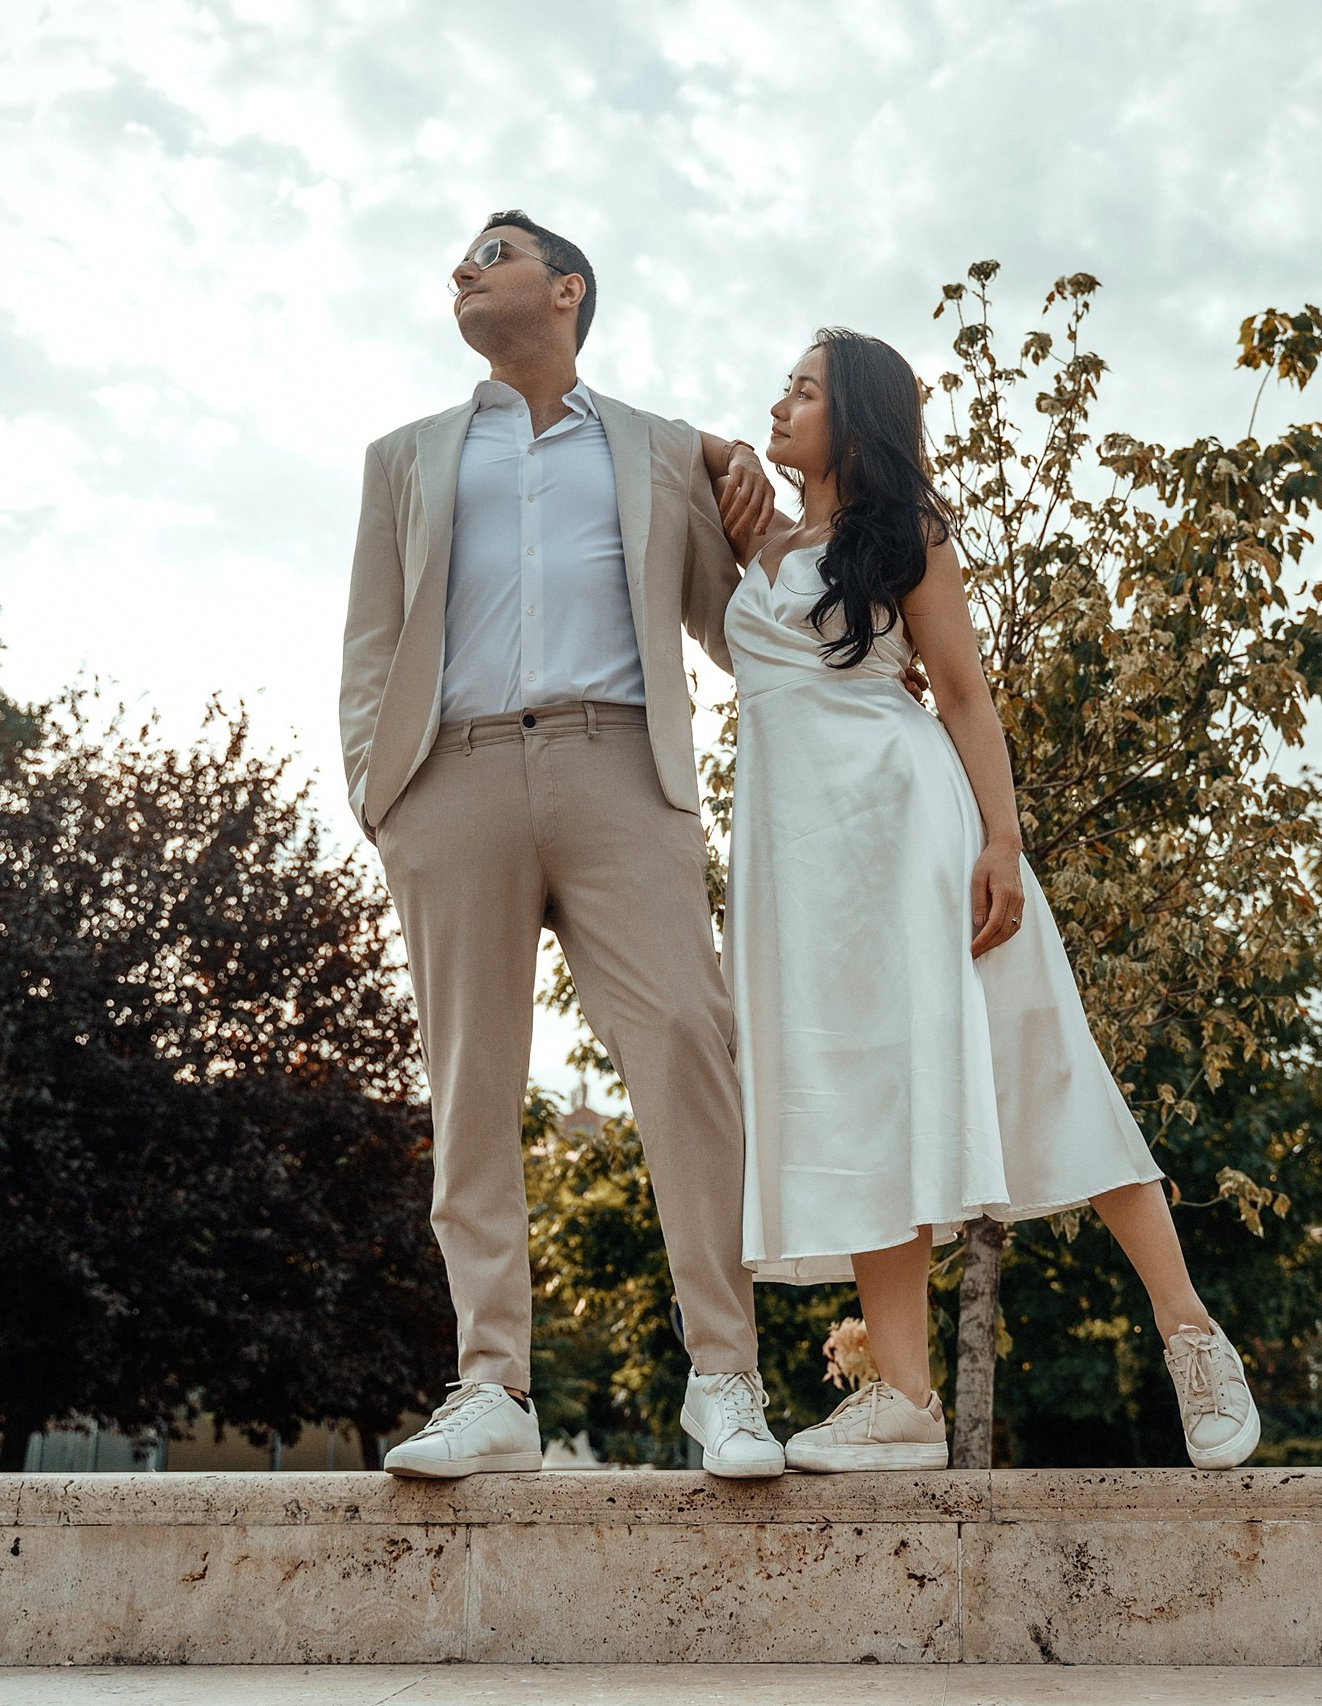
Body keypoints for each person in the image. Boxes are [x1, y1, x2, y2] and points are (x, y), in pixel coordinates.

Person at [724, 328, 1262, 1472]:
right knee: (864, 1101)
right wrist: (719, 457)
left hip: (913, 830)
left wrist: (1003, 844)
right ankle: (905, 1399)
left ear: (856, 415)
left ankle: (1192, 1336)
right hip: (803, 868)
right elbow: (660, 454)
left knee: (1044, 1060)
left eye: (803, 390)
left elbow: (964, 694)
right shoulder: (756, 536)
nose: (778, 405)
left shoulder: (905, 535)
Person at [340, 211, 788, 1478]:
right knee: (471, 1081)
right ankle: (492, 1386)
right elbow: (370, 638)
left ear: (566, 289)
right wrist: (382, 795)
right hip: (452, 778)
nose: (462, 269)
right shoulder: (403, 457)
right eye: (462, 260)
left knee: (688, 1044)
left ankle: (725, 1375)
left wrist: (762, 496)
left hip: (622, 769)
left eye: (493, 253)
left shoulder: (658, 448)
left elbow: (740, 621)